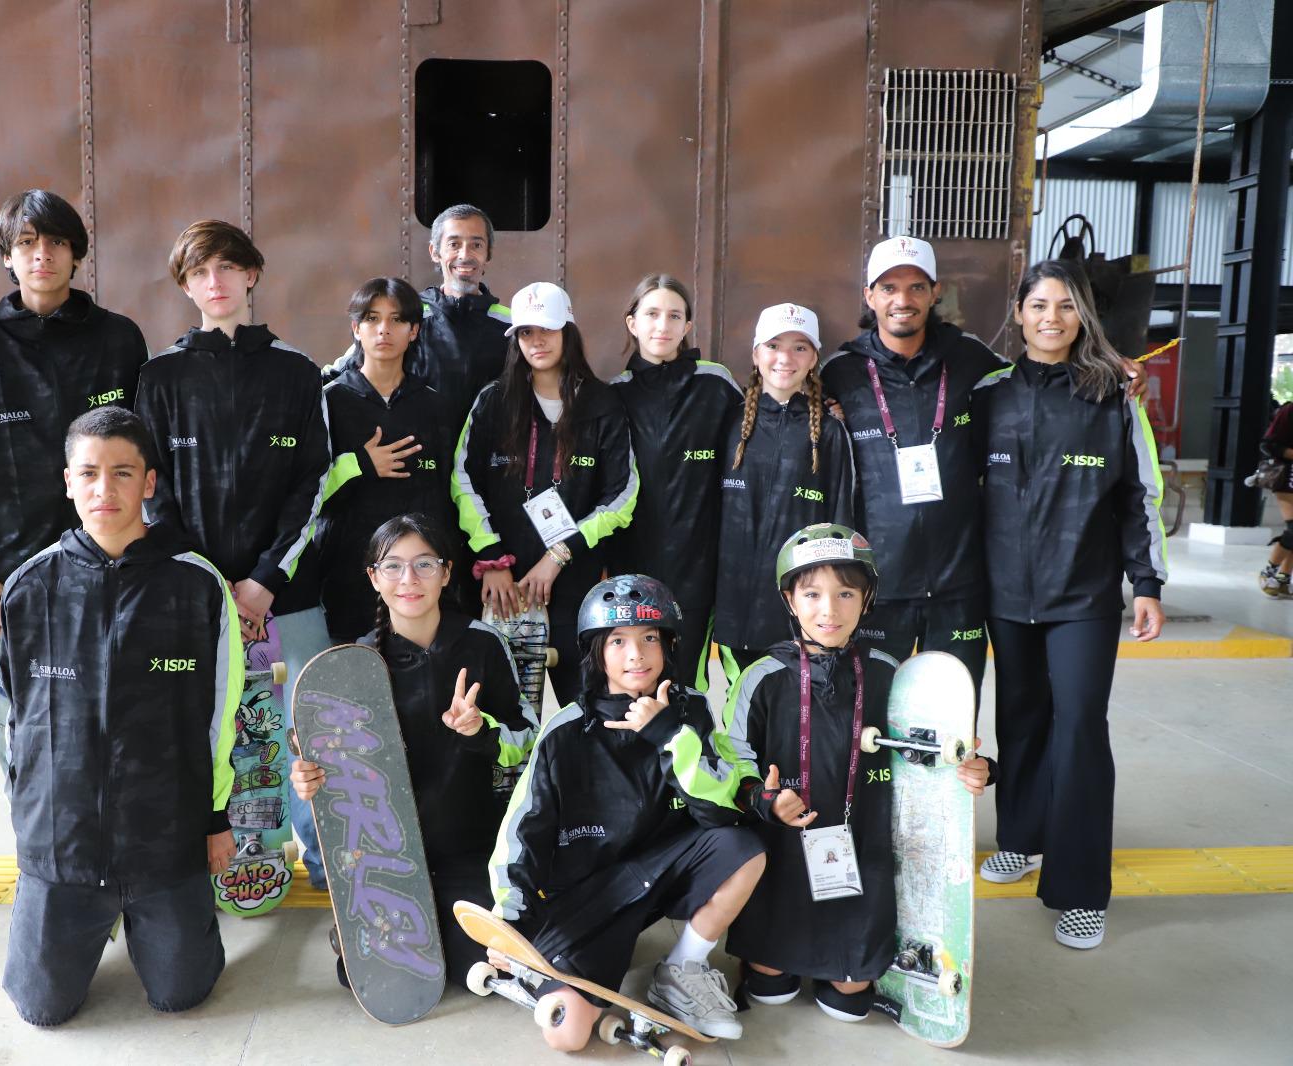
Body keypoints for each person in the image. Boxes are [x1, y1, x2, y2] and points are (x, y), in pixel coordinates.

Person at [0, 406, 241, 1026]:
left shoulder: (197, 585)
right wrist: (27, 814)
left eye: (123, 473)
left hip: (166, 833)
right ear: (68, 481)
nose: (105, 490)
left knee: (180, 995)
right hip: (64, 836)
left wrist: (215, 819)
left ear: (150, 483)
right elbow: (15, 720)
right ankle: (82, 920)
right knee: (41, 1009)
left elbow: (221, 715)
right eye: (90, 474)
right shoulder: (31, 585)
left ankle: (154, 922)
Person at [971, 261, 1167, 950]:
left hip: (1082, 593)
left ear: (1082, 316)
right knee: (1020, 720)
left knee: (1081, 727)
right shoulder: (988, 394)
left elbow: (1139, 493)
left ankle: (1081, 888)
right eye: (1038, 304)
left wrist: (1146, 582)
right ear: (1018, 313)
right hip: (1006, 591)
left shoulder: (1113, 394)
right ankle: (1021, 836)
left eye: (1065, 306)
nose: (1051, 317)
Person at [722, 523, 988, 1020]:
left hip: (859, 849)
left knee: (850, 1003)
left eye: (846, 593)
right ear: (789, 598)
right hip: (782, 851)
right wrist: (762, 797)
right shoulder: (762, 676)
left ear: (866, 600)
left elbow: (932, 750)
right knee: (769, 985)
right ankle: (772, 956)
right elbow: (731, 755)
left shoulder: (890, 671)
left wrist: (973, 767)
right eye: (813, 593)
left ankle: (849, 956)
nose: (829, 609)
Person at [135, 219, 334, 882]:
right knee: (215, 720)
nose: (214, 283)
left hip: (288, 591)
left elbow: (313, 484)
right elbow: (151, 492)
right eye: (199, 273)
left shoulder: (298, 374)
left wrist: (266, 580)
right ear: (186, 286)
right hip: (198, 592)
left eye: (226, 268)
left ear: (251, 274)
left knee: (304, 718)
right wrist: (215, 585)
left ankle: (318, 844)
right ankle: (230, 841)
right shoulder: (161, 377)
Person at [489, 574, 767, 1047]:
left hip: (660, 873)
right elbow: (523, 830)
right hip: (590, 898)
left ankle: (681, 969)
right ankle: (561, 969)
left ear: (669, 646)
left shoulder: (692, 711)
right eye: (618, 641)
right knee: (568, 1037)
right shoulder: (565, 730)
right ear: (595, 652)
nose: (636, 654)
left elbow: (721, 807)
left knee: (744, 848)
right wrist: (509, 919)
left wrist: (666, 737)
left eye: (649, 638)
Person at [0, 189, 147, 773]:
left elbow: (147, 459)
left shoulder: (118, 337)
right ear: (7, 255)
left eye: (55, 242)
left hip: (110, 561)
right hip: (9, 571)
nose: (42, 255)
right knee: (21, 717)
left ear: (76, 253)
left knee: (115, 709)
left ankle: (108, 848)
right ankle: (35, 850)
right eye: (26, 243)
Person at [290, 514, 538, 990]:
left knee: (486, 963)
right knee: (385, 977)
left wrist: (480, 729)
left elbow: (528, 738)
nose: (409, 580)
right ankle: (358, 928)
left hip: (470, 847)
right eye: (394, 566)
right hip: (390, 857)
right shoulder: (355, 664)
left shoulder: (484, 644)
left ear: (447, 573)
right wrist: (310, 779)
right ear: (373, 578)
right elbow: (330, 773)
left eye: (425, 564)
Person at [815, 238, 1005, 697]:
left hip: (959, 582)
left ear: (935, 292)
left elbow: (1039, 383)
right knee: (873, 717)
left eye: (916, 287)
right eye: (890, 288)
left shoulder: (972, 359)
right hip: (877, 584)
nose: (903, 300)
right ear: (870, 296)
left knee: (952, 714)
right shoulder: (841, 371)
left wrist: (1108, 365)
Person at [451, 281, 639, 706]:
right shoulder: (493, 401)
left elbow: (622, 495)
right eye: (525, 332)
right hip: (506, 587)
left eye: (547, 330)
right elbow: (463, 481)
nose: (536, 341)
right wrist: (491, 559)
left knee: (589, 710)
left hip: (577, 585)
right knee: (505, 715)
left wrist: (558, 556)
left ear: (568, 331)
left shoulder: (602, 403)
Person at [607, 274, 741, 689]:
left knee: (685, 675)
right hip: (633, 560)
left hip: (699, 564)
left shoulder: (715, 384)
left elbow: (759, 428)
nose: (662, 326)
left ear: (686, 327)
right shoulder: (614, 395)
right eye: (651, 314)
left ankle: (689, 750)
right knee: (637, 673)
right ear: (632, 323)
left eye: (674, 316)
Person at [713, 304, 854, 678]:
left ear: (813, 360)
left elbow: (841, 524)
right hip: (733, 608)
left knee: (795, 717)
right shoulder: (726, 423)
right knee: (740, 712)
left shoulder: (829, 433)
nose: (785, 358)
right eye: (774, 345)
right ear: (756, 354)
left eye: (800, 347)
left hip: (796, 614)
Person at [317, 279, 456, 642]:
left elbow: (452, 493)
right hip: (348, 576)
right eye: (372, 319)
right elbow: (305, 493)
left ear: (413, 331)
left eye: (396, 320)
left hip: (419, 582)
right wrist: (360, 464)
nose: (384, 330)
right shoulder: (329, 401)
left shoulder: (435, 405)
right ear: (356, 329)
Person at [324, 204, 510, 443]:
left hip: (480, 469)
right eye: (454, 244)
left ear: (488, 253)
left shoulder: (511, 325)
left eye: (476, 245)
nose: (465, 255)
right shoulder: (407, 315)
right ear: (435, 251)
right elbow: (340, 374)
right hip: (416, 464)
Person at [1255, 399, 1293, 598]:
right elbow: (1269, 445)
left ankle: (1284, 579)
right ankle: (1268, 572)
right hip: (1287, 478)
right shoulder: (1289, 410)